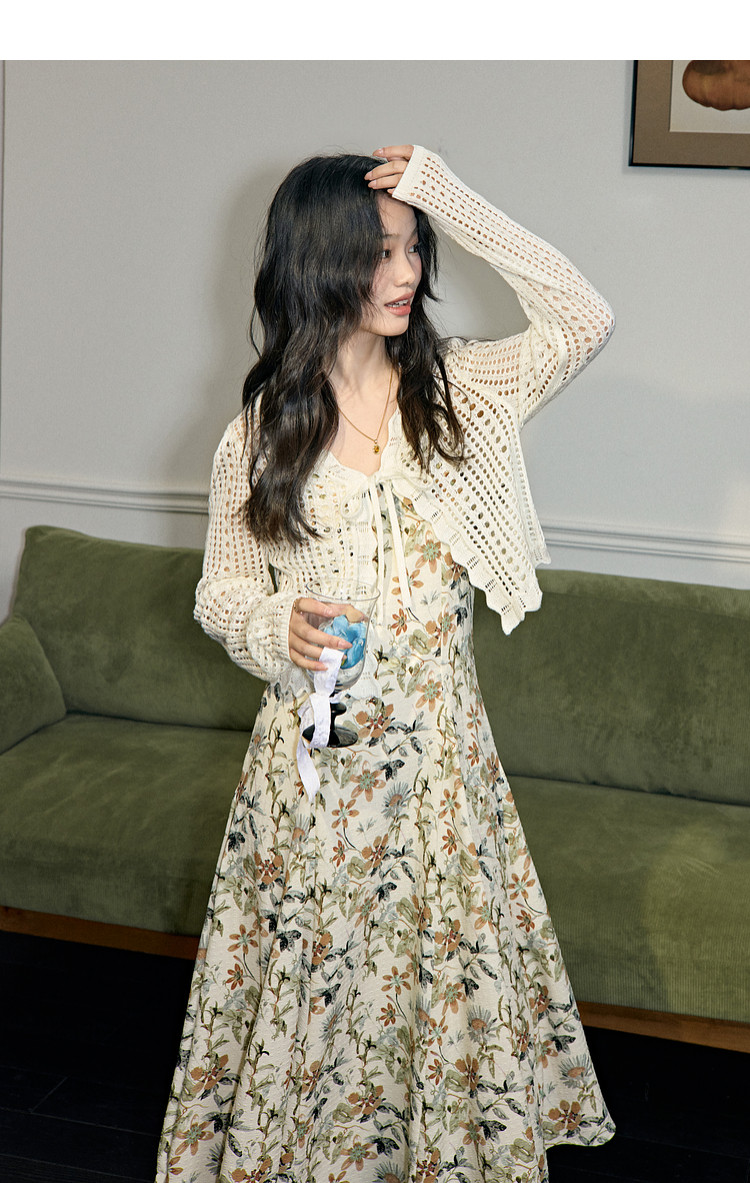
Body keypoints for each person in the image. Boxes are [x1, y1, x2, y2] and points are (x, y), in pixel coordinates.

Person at [156, 143, 616, 1183]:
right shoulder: (257, 437)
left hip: (442, 774)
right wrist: (273, 625)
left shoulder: (464, 394)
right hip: (317, 779)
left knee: (435, 1000)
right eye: (379, 253)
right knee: (318, 1011)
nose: (406, 273)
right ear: (318, 264)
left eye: (414, 248)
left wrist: (448, 194)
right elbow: (220, 590)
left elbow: (583, 318)